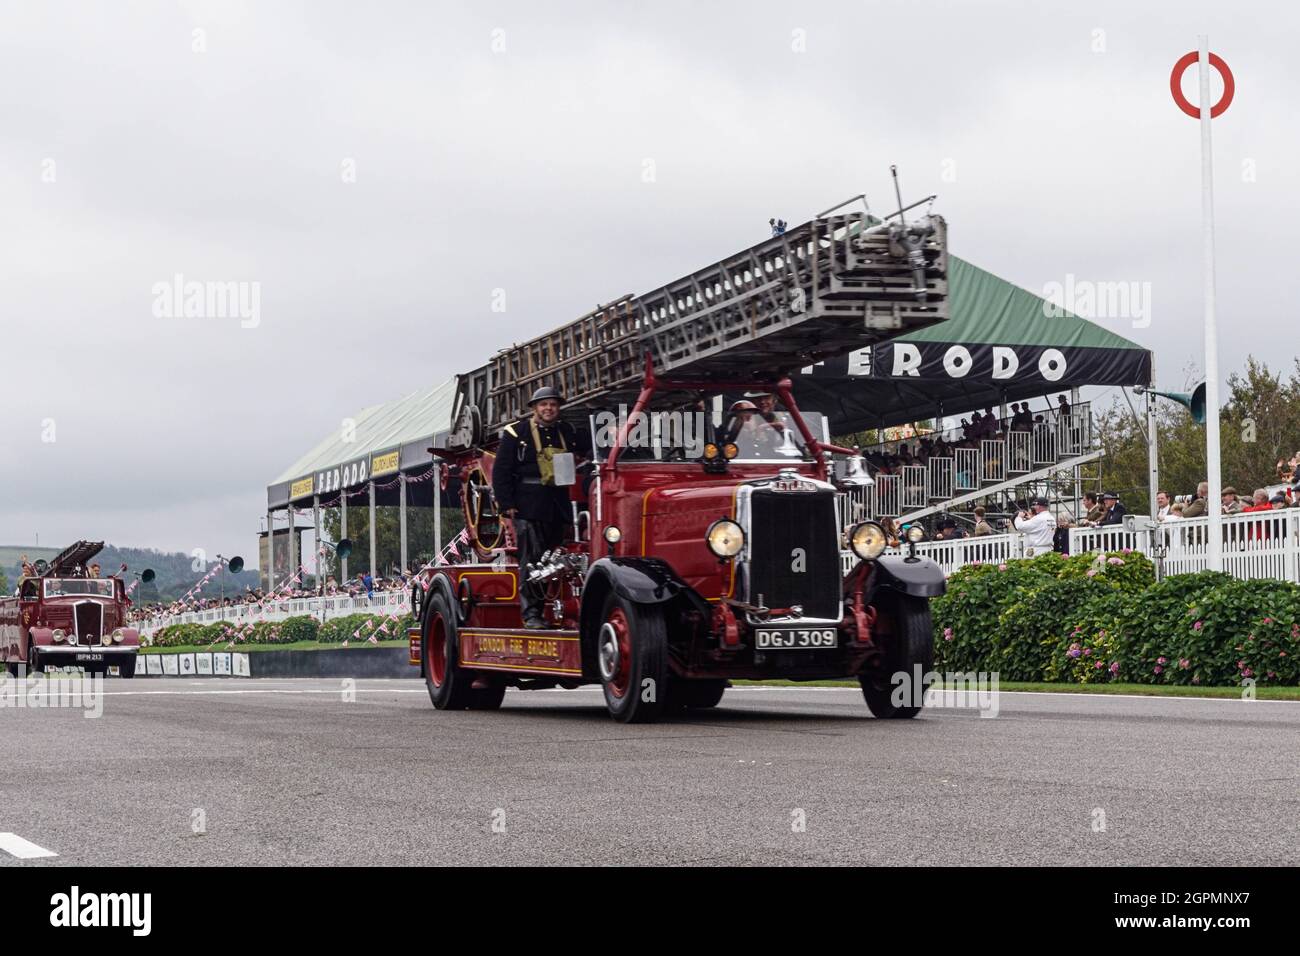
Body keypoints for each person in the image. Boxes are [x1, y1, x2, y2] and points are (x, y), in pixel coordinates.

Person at [493, 385, 591, 629]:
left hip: (558, 505)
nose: (549, 409)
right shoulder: (517, 432)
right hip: (529, 506)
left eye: (553, 405)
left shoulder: (565, 431)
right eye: (544, 404)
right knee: (532, 561)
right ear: (535, 408)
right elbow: (501, 471)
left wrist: (611, 428)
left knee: (555, 561)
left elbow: (587, 444)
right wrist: (507, 505)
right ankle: (532, 615)